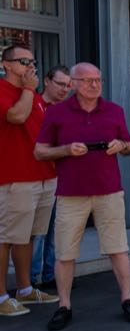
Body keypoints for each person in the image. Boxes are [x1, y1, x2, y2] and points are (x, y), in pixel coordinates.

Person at [34, 62, 130, 330]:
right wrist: (67, 149)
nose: (94, 85)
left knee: (118, 248)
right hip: (71, 193)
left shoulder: (114, 111)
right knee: (65, 253)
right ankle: (64, 305)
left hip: (109, 191)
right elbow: (39, 152)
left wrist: (121, 145)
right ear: (72, 83)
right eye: (87, 80)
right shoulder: (58, 113)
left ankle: (128, 298)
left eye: (98, 80)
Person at [0, 46, 60, 317]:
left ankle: (24, 289)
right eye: (24, 61)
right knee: (6, 237)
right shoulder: (7, 91)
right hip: (16, 177)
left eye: (32, 61)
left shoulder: (34, 96)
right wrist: (27, 89)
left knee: (27, 236)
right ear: (7, 65)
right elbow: (16, 116)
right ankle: (1, 295)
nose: (30, 66)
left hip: (44, 175)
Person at [31, 66, 72, 290]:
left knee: (56, 230)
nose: (65, 89)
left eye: (68, 85)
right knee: (37, 232)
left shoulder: (68, 110)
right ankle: (31, 280)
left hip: (62, 177)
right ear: (47, 81)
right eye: (60, 84)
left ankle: (50, 275)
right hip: (36, 177)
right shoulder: (33, 105)